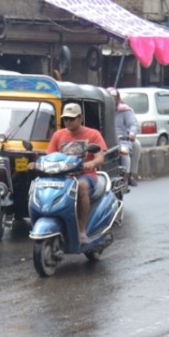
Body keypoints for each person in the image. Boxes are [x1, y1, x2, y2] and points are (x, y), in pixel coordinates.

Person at [47, 103, 107, 244]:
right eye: (65, 119)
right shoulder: (58, 135)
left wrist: (92, 163)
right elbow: (49, 156)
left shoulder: (93, 134)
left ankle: (81, 230)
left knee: (80, 186)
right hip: (63, 177)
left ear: (80, 118)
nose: (68, 122)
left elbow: (100, 157)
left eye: (71, 119)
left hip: (85, 176)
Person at [108, 87, 141, 188]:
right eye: (110, 98)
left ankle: (127, 177)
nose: (112, 101)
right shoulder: (102, 110)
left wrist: (131, 134)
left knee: (125, 153)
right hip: (106, 141)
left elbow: (133, 124)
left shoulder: (125, 111)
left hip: (122, 141)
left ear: (117, 98)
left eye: (114, 98)